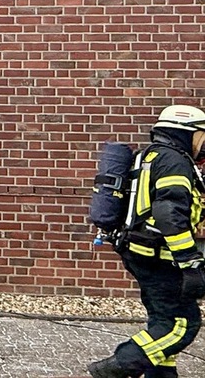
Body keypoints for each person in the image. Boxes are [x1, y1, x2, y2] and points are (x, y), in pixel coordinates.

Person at [88, 105, 205, 378]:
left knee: (162, 320)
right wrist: (189, 261)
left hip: (139, 251)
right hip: (161, 257)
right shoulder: (174, 161)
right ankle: (118, 366)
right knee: (181, 325)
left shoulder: (149, 155)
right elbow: (168, 212)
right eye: (203, 134)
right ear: (187, 133)